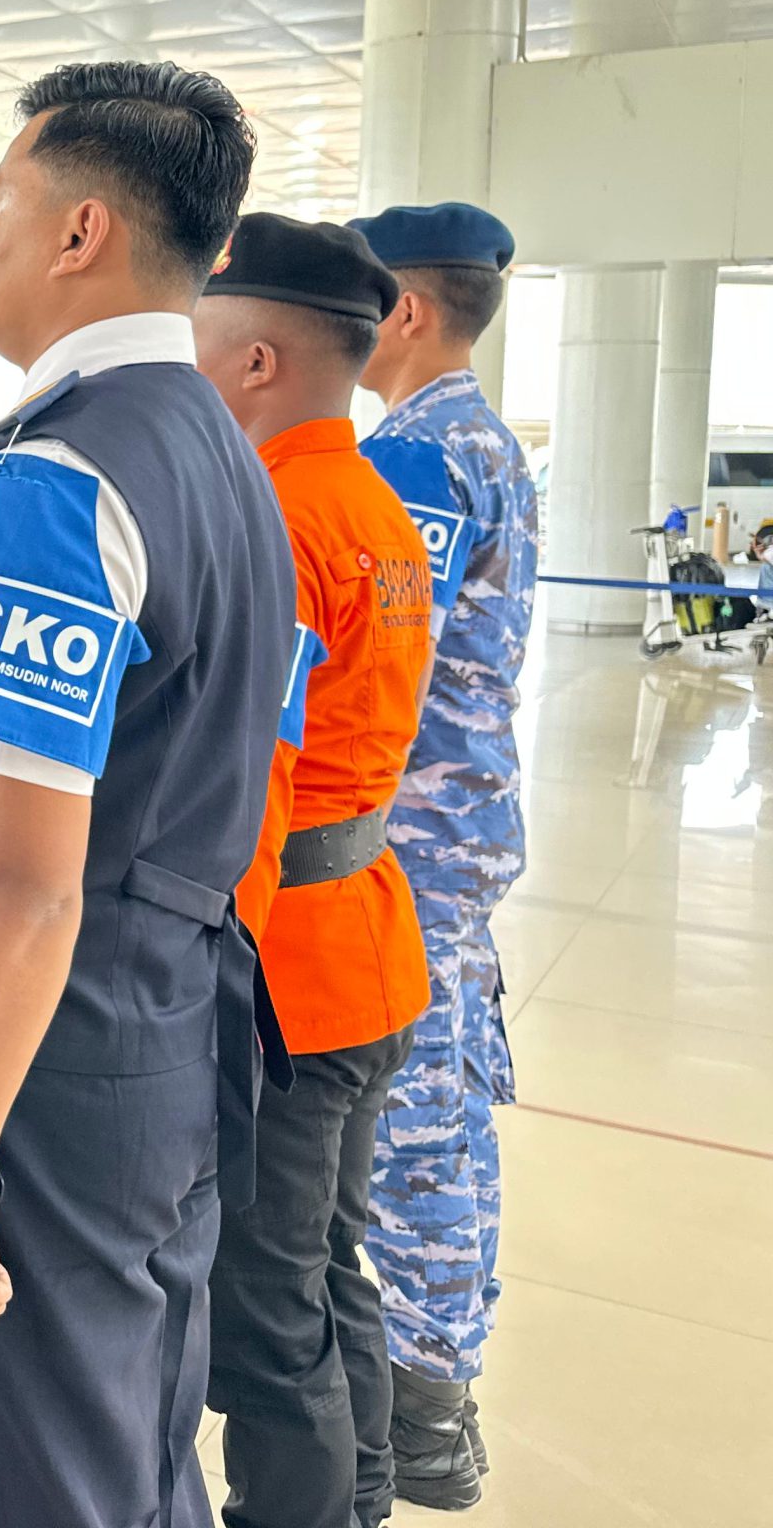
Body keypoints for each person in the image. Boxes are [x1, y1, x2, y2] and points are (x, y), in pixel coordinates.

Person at [0, 61, 294, 1528]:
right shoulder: (223, 460)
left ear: (79, 233)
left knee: (36, 1475)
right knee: (131, 1450)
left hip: (51, 1066)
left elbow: (13, 875)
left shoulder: (53, 482)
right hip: (176, 1024)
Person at [193, 214, 436, 1528]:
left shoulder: (273, 518)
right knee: (330, 1264)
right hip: (369, 949)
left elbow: (255, 786)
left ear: (259, 362)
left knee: (270, 1302)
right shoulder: (377, 505)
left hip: (293, 977)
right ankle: (364, 1493)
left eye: (199, 340)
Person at [354, 201, 539, 1510]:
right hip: (452, 838)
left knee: (420, 1126)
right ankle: (430, 1382)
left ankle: (425, 1405)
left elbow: (378, 671)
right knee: (439, 1106)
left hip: (412, 840)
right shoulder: (478, 440)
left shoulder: (418, 459)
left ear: (405, 312)